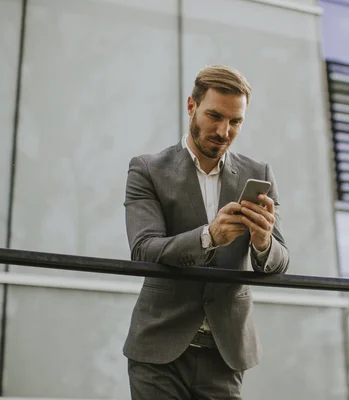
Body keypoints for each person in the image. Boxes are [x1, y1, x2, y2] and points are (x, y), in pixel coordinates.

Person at [122, 64, 290, 399]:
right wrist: (209, 237)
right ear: (191, 106)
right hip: (159, 350)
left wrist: (262, 242)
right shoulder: (148, 169)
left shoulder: (258, 174)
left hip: (225, 353)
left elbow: (280, 261)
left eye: (235, 121)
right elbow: (144, 248)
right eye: (214, 116)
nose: (223, 130)